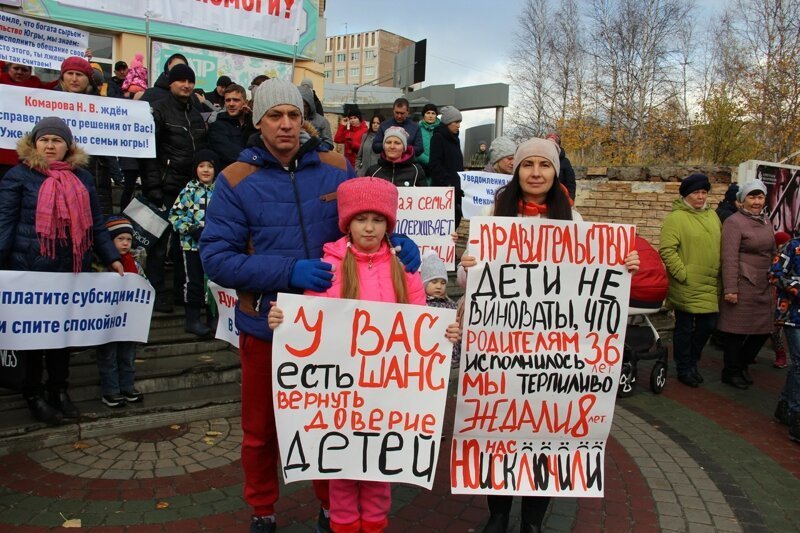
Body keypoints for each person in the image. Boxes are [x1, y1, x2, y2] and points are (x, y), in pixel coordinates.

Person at [200, 78, 421, 533]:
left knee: (331, 423)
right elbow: (216, 258)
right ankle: (263, 509)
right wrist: (287, 273)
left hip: (338, 330)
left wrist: (394, 239)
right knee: (261, 433)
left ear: (304, 118)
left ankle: (329, 507)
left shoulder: (335, 165)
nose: (285, 124)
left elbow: (365, 214)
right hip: (268, 325)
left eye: (293, 115)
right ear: (256, 120)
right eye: (274, 116)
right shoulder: (234, 180)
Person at [457, 138, 639, 533]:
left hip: (554, 354)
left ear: (556, 172)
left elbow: (598, 274)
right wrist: (467, 265)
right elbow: (470, 277)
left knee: (547, 433)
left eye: (544, 165)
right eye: (527, 165)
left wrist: (625, 264)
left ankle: (534, 521)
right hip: (501, 349)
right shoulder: (493, 216)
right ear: (516, 170)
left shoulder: (574, 221)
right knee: (499, 430)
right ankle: (499, 513)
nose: (535, 172)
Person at [267, 177, 460, 533]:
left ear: (389, 224)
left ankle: (373, 526)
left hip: (388, 395)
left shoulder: (407, 272)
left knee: (379, 469)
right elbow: (309, 324)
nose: (369, 227)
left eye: (378, 219)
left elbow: (422, 327)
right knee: (341, 469)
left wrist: (443, 333)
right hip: (341, 397)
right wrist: (283, 319)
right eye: (360, 219)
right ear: (346, 223)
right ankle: (341, 525)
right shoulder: (328, 269)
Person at [0, 117, 123, 424]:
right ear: (35, 143)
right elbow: (4, 224)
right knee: (31, 342)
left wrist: (111, 257)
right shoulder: (18, 176)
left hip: (71, 271)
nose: (51, 145)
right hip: (28, 273)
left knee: (62, 337)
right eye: (45, 140)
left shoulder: (82, 178)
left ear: (68, 146)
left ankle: (59, 390)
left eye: (58, 140)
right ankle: (34, 394)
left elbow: (95, 223)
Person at [142, 63, 208, 313]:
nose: (186, 85)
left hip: (190, 188)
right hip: (166, 186)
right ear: (170, 83)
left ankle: (182, 292)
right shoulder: (159, 109)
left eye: (190, 81)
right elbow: (149, 152)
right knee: (160, 244)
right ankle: (157, 294)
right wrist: (153, 185)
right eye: (181, 80)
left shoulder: (195, 110)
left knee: (186, 243)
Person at [659, 173, 721, 388]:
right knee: (685, 327)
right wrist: (682, 274)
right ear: (687, 194)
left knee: (708, 325)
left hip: (710, 282)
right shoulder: (676, 218)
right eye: (696, 192)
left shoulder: (712, 216)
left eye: (704, 192)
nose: (701, 197)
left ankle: (692, 361)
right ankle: (684, 367)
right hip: (686, 283)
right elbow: (667, 250)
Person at [717, 180, 775, 389]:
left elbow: (771, 251)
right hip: (743, 282)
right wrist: (731, 288)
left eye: (760, 197)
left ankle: (741, 365)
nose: (756, 201)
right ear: (742, 201)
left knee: (763, 330)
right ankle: (730, 372)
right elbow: (729, 257)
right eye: (752, 197)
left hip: (764, 283)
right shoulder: (734, 222)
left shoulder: (766, 220)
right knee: (736, 332)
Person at [54, 56, 117, 216]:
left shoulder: (102, 106)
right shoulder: (47, 101)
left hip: (95, 173)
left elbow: (109, 140)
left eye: (79, 75)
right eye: (70, 73)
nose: (74, 79)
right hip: (57, 174)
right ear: (63, 77)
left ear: (88, 79)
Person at [96, 216, 145, 407]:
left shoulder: (135, 264)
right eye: (120, 239)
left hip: (128, 321)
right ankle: (110, 390)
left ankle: (127, 386)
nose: (125, 243)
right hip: (107, 322)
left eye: (129, 239)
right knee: (108, 356)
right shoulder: (99, 265)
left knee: (127, 355)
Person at [169, 149, 218, 337]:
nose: (206, 170)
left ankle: (213, 317)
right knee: (194, 283)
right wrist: (192, 229)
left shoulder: (220, 191)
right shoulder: (188, 191)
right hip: (192, 246)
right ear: (195, 169)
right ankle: (193, 320)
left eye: (210, 166)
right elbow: (174, 215)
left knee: (214, 281)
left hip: (214, 247)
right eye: (201, 166)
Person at [420, 250, 461, 367]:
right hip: (426, 357)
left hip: (447, 358)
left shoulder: (452, 305)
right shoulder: (420, 304)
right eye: (434, 281)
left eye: (443, 282)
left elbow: (456, 333)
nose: (439, 286)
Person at [429, 106, 465, 226]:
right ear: (448, 122)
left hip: (456, 189)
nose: (458, 125)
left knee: (456, 220)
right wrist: (448, 183)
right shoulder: (438, 137)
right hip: (444, 191)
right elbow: (435, 164)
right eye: (456, 122)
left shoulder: (455, 139)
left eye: (459, 122)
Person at [208, 84, 257, 168]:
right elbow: (228, 152)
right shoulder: (217, 126)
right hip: (230, 175)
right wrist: (255, 158)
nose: (231, 104)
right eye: (228, 100)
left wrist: (251, 117)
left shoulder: (252, 123)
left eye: (236, 100)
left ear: (245, 102)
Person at [298, 83, 333, 149]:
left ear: (310, 105)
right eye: (300, 106)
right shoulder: (292, 120)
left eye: (305, 106)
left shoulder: (322, 121)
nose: (303, 109)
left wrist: (315, 144)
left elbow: (329, 144)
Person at [333, 103, 368, 169]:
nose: (352, 120)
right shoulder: (348, 131)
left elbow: (366, 148)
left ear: (359, 118)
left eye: (355, 118)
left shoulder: (365, 131)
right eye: (350, 118)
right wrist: (342, 125)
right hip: (348, 164)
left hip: (359, 164)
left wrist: (353, 143)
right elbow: (337, 139)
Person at [545, 132, 576, 200]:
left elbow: (571, 183)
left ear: (558, 146)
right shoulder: (540, 160)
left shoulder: (565, 162)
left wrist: (570, 199)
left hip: (560, 199)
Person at [417, 103, 439, 174]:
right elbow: (416, 149)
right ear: (424, 115)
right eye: (428, 113)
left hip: (438, 168)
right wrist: (428, 161)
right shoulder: (417, 129)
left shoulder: (441, 129)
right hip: (422, 167)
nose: (430, 116)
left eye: (433, 113)